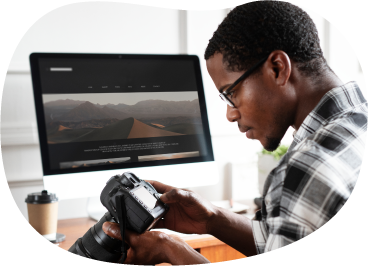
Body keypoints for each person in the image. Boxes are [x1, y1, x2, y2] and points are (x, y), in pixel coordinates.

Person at [102, 0, 368, 264]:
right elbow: (286, 244)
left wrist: (169, 249)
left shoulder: (308, 165)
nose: (230, 114)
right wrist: (212, 219)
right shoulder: (358, 123)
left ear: (277, 68)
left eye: (231, 93)